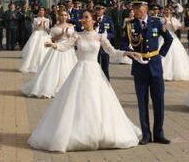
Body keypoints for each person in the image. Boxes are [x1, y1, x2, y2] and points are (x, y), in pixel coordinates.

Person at [28, 10, 142, 153]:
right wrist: (53, 45)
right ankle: (76, 133)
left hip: (95, 71)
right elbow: (65, 46)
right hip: (79, 70)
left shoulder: (100, 37)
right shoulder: (77, 35)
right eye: (83, 17)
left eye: (86, 17)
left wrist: (127, 53)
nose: (83, 19)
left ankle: (101, 133)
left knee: (96, 101)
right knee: (77, 101)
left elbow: (112, 52)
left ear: (94, 20)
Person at [127, 0, 172, 145]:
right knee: (142, 102)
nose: (136, 12)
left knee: (159, 101)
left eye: (139, 9)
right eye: (135, 9)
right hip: (139, 68)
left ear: (145, 10)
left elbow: (169, 39)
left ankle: (159, 133)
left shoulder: (156, 22)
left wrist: (161, 54)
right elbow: (122, 43)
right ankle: (146, 134)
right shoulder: (130, 25)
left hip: (155, 66)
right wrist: (132, 54)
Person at [21, 8, 77, 98]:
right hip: (57, 48)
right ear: (59, 16)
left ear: (68, 16)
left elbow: (73, 39)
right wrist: (62, 33)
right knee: (53, 68)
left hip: (68, 50)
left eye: (65, 15)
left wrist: (68, 35)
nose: (64, 17)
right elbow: (52, 39)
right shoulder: (55, 26)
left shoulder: (71, 26)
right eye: (62, 15)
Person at [161, 5, 189, 81]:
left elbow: (176, 28)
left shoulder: (174, 19)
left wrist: (171, 22)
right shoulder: (161, 19)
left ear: (171, 11)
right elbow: (160, 29)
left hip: (172, 37)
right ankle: (163, 73)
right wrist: (164, 23)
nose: (166, 11)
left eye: (168, 10)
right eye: (165, 10)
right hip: (163, 37)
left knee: (175, 54)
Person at [19, 7, 51, 74]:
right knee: (34, 48)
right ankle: (32, 65)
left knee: (44, 49)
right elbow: (33, 28)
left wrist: (45, 27)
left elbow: (48, 30)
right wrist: (38, 25)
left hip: (44, 35)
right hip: (36, 34)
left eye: (42, 10)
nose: (41, 11)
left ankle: (44, 65)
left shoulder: (47, 20)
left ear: (44, 12)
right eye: (40, 10)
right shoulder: (35, 19)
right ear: (38, 12)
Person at [95, 4, 115, 80]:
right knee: (95, 66)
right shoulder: (92, 19)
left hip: (104, 47)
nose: (99, 11)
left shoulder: (108, 19)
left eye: (101, 9)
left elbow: (112, 33)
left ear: (104, 10)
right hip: (95, 46)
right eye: (97, 9)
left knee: (105, 67)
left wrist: (106, 36)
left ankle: (106, 83)